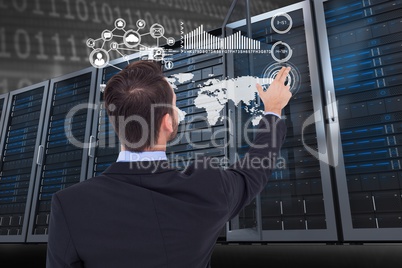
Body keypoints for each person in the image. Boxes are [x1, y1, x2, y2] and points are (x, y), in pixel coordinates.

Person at [46, 61, 292, 268]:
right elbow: (252, 173)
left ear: (116, 124)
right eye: (175, 105)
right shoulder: (208, 187)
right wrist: (273, 110)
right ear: (167, 122)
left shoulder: (69, 205)